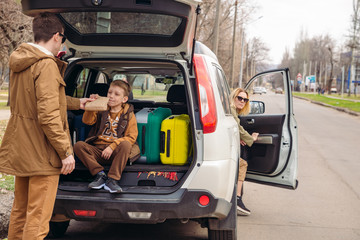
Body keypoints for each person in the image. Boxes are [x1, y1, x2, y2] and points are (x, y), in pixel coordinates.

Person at [0, 13, 92, 239]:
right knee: (38, 218)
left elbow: (39, 101)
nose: (62, 42)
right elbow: (48, 115)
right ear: (56, 36)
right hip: (42, 152)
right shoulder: (46, 65)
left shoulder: (22, 59)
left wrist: (78, 102)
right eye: (62, 38)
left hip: (22, 148)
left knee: (20, 212)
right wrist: (65, 152)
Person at [74, 80, 138, 193]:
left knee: (126, 144)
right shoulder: (101, 108)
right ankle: (100, 175)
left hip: (116, 153)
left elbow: (131, 137)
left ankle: (112, 180)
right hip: (98, 151)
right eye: (109, 93)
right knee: (78, 145)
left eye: (116, 94)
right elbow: (87, 121)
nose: (111, 96)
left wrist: (112, 146)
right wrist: (92, 104)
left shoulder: (129, 114)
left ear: (124, 99)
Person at [230, 88, 259, 216]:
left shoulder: (232, 111)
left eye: (245, 99)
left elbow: (235, 129)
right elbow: (238, 128)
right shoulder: (231, 109)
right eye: (239, 98)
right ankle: (237, 199)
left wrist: (240, 137)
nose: (242, 101)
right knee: (242, 164)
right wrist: (250, 138)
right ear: (233, 97)